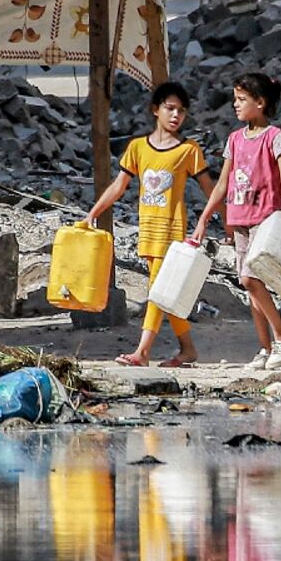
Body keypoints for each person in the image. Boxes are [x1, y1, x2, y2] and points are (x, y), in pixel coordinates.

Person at [85, 82, 218, 367]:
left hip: (173, 231)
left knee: (158, 290)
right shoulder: (137, 148)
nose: (176, 116)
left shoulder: (189, 150)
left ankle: (142, 352)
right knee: (164, 292)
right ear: (155, 110)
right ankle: (188, 349)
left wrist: (215, 220)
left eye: (181, 111)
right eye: (170, 109)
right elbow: (119, 185)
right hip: (148, 231)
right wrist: (93, 212)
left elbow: (210, 189)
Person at [191, 73, 281, 370]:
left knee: (249, 279)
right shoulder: (235, 140)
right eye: (235, 99)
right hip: (240, 221)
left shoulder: (275, 137)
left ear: (260, 103)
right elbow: (223, 183)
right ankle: (265, 348)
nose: (235, 105)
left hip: (266, 220)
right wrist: (204, 220)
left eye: (242, 100)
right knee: (252, 288)